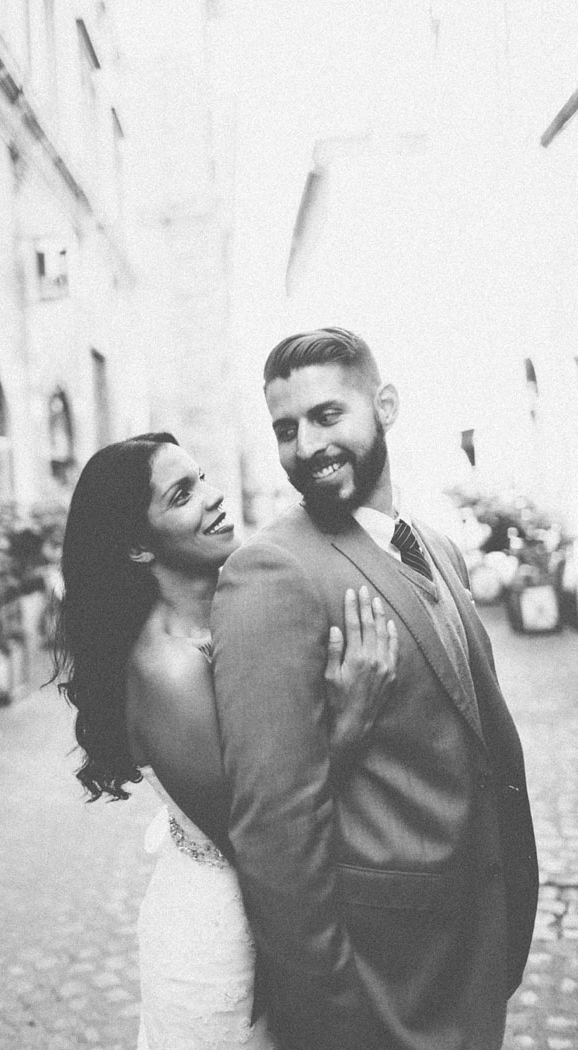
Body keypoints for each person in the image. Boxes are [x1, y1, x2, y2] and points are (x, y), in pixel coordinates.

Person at [210, 327, 539, 1050]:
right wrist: (331, 1015)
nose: (306, 446)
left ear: (384, 406)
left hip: (469, 951)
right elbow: (275, 831)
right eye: (286, 429)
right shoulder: (269, 573)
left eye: (329, 416)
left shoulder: (438, 547)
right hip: (384, 989)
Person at [53, 431, 399, 1050]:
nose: (213, 499)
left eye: (203, 478)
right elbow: (258, 831)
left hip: (273, 912)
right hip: (220, 942)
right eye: (183, 495)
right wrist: (350, 717)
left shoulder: (230, 609)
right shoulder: (168, 669)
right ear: (137, 545)